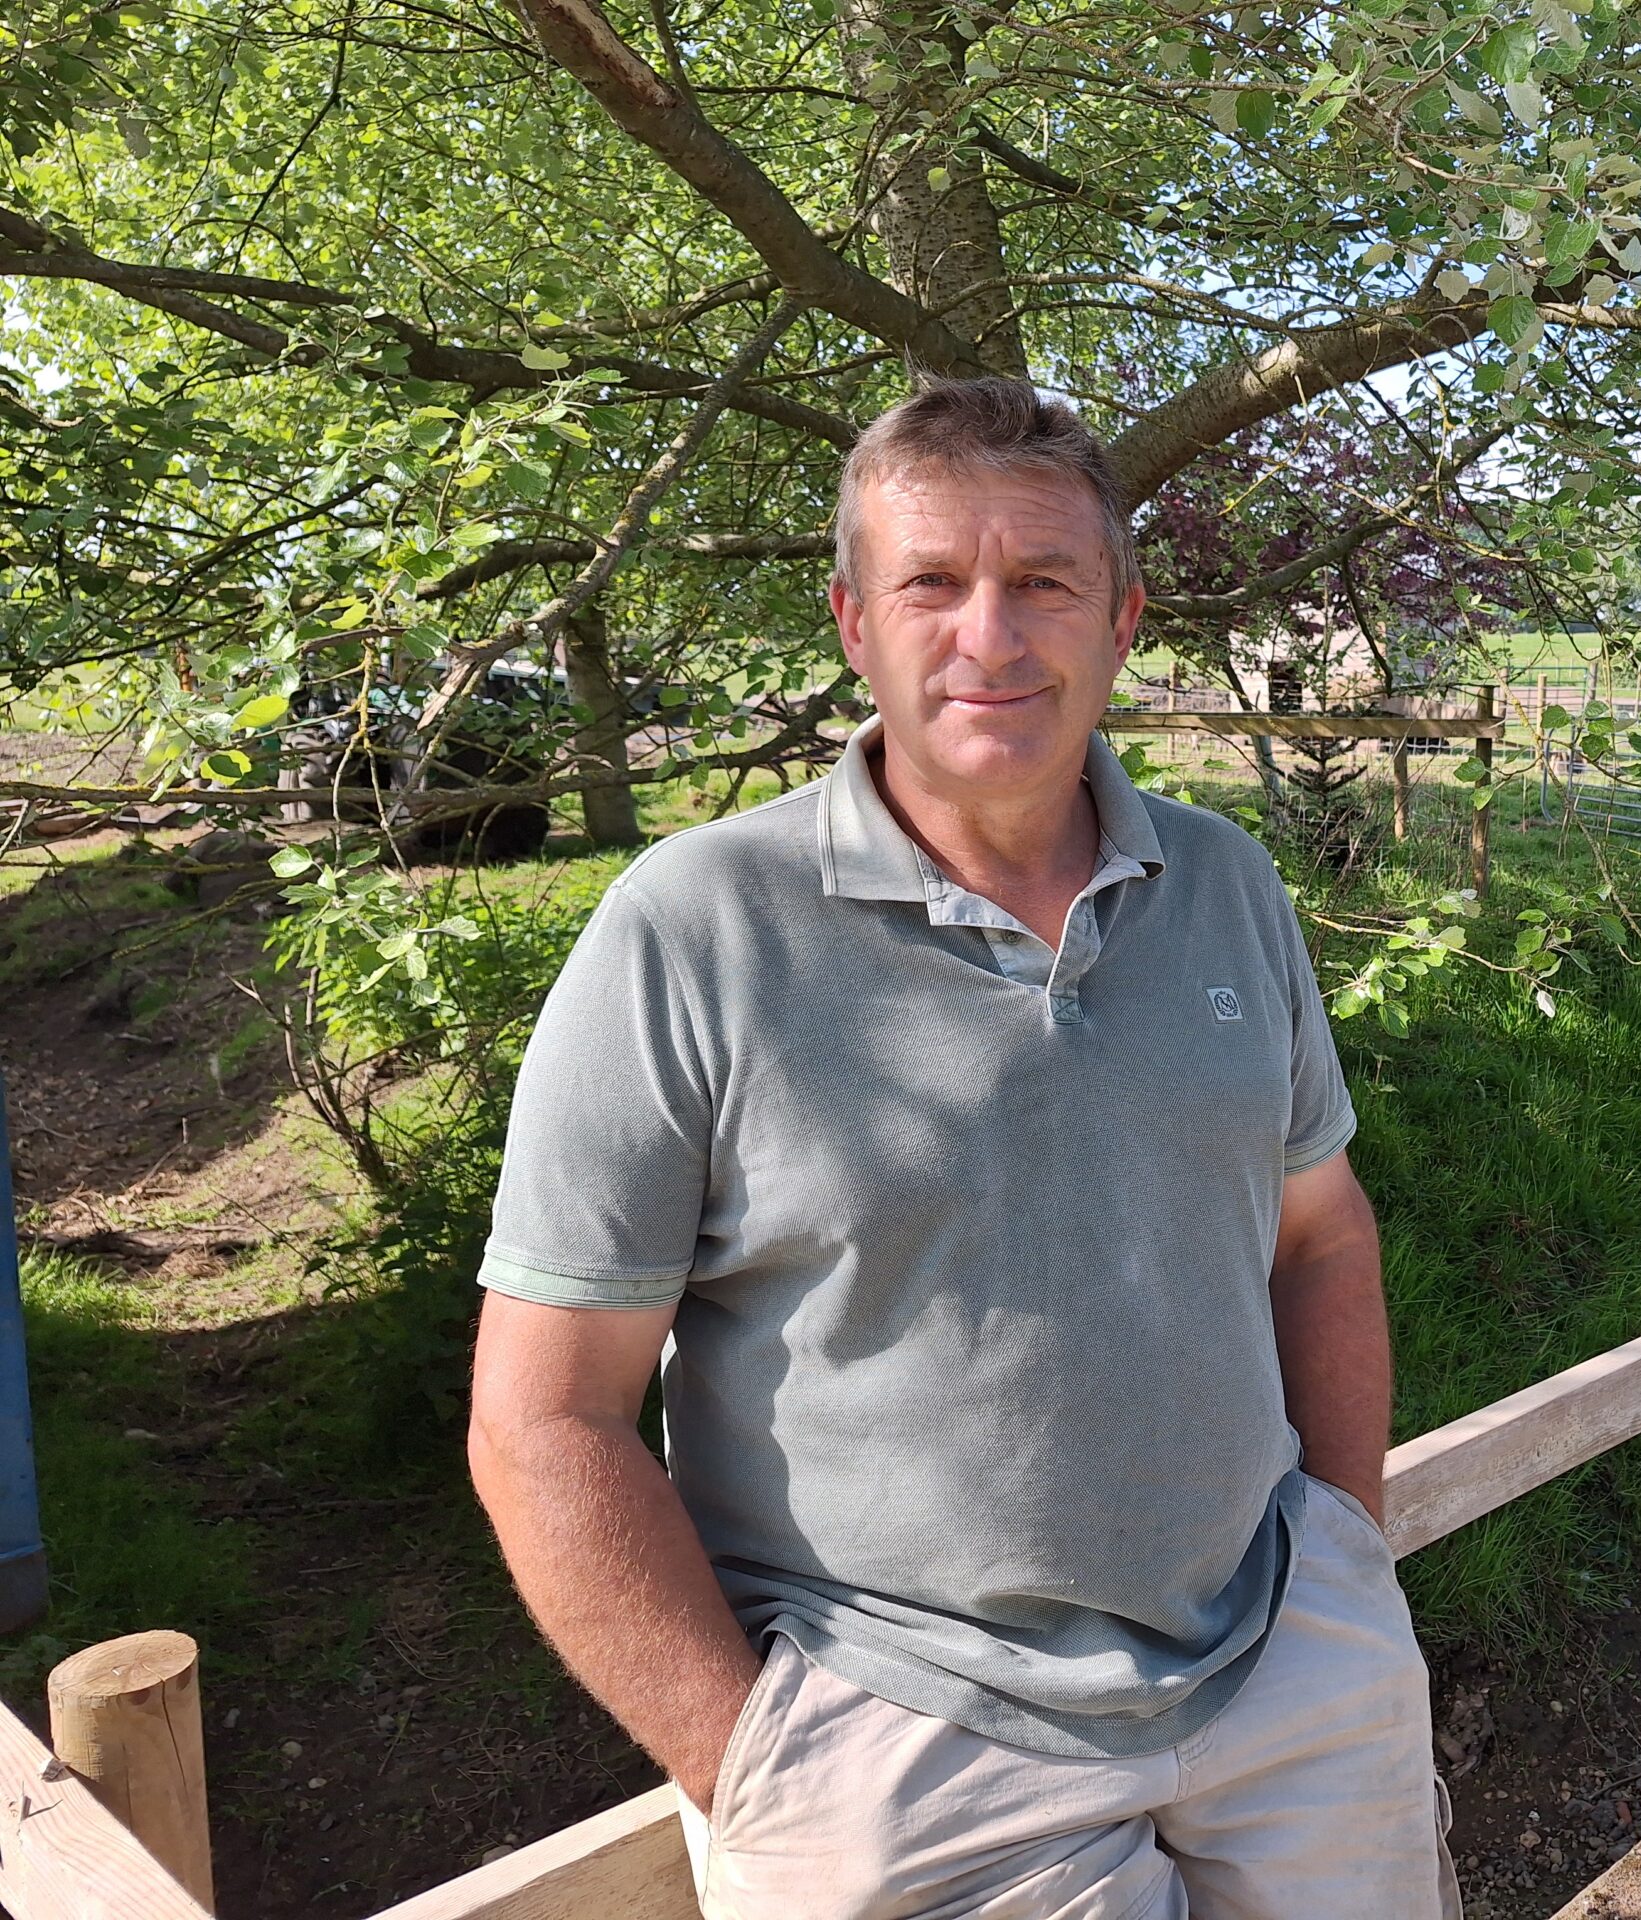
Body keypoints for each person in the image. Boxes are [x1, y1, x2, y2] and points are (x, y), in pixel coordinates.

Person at [466, 378, 1459, 1918]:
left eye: (1043, 583)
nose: (988, 635)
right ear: (856, 624)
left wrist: (1346, 1557)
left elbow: (1321, 1234)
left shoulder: (1227, 887)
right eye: (932, 582)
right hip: (906, 1736)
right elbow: (544, 1419)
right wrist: (760, 1774)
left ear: (1124, 618)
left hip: (1286, 1669)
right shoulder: (693, 930)